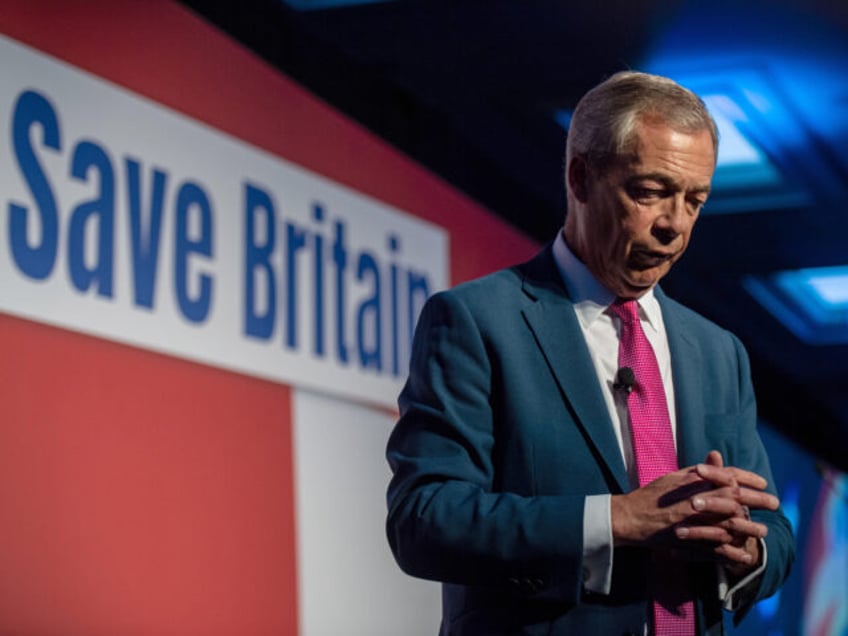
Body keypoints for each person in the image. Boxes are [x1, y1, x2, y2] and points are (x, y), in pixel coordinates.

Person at [385, 71, 794, 635]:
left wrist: (745, 551)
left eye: (694, 200)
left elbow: (777, 537)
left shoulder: (719, 351)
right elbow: (423, 521)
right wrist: (616, 520)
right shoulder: (478, 321)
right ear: (580, 177)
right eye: (650, 192)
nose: (675, 225)